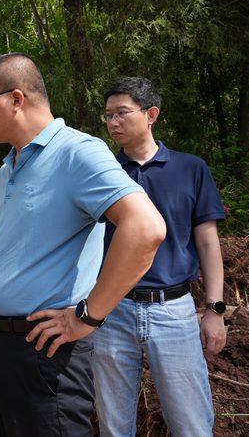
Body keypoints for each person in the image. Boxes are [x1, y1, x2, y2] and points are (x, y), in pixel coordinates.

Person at [0, 53, 166, 437]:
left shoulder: (77, 152)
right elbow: (5, 254)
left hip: (43, 352)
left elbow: (145, 228)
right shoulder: (7, 167)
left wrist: (87, 317)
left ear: (15, 99)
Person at [93, 77, 227, 436]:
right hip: (111, 311)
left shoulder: (190, 168)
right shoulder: (102, 173)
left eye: (122, 113)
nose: (113, 123)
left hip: (174, 309)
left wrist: (214, 310)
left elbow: (208, 243)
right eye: (108, 115)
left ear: (151, 114)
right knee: (113, 425)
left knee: (191, 423)